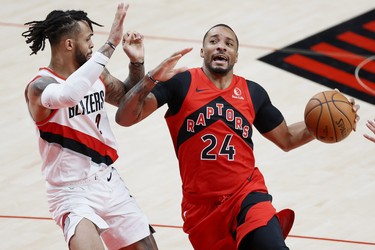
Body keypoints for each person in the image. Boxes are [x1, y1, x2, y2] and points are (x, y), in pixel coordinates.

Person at [115, 24, 359, 249]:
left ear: (236, 56)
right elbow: (126, 118)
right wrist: (150, 78)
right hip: (202, 209)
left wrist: (334, 122)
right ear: (202, 51)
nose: (221, 46)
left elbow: (287, 138)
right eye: (214, 41)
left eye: (229, 44)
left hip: (247, 195)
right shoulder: (182, 82)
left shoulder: (252, 93)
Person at [22, 3, 162, 250]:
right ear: (69, 45)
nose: (91, 46)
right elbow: (68, 95)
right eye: (88, 39)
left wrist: (136, 63)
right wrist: (110, 44)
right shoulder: (40, 86)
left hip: (108, 181)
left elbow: (127, 99)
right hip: (71, 193)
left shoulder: (95, 73)